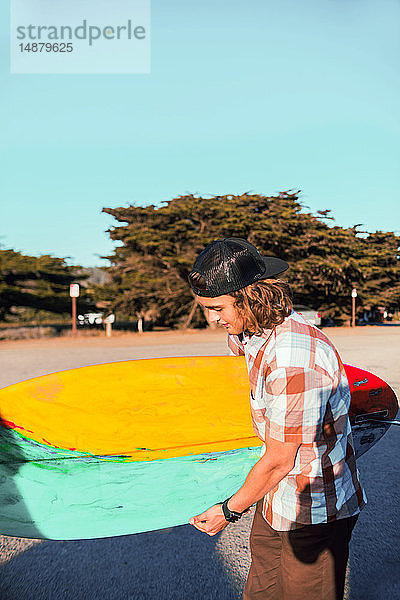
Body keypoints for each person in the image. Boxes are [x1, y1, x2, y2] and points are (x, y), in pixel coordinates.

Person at [187, 237, 366, 600]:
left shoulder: (292, 357)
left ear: (251, 297)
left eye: (218, 308)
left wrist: (228, 510)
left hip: (313, 505)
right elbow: (241, 347)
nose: (212, 318)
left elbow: (280, 460)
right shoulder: (255, 330)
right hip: (274, 497)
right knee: (261, 592)